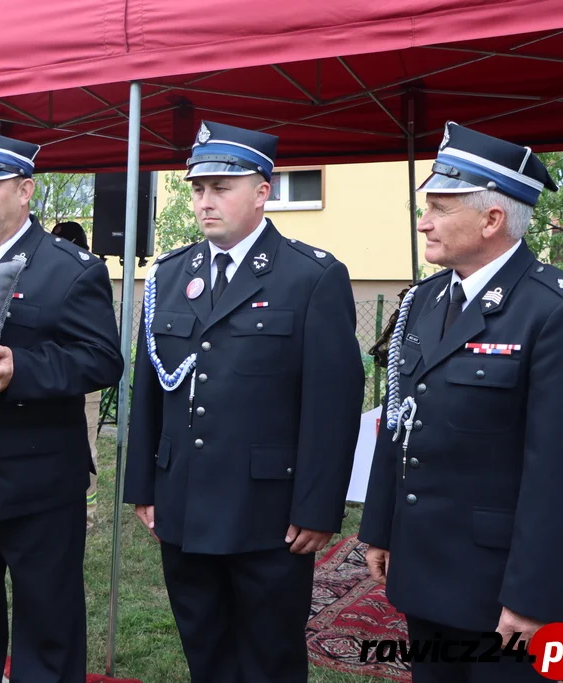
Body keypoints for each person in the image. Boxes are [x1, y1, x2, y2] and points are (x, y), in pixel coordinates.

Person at [123, 120, 365, 683]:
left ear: (262, 192)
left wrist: (317, 507)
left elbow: (333, 403)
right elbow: (149, 391)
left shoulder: (311, 276)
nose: (206, 202)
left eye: (221, 188)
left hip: (268, 512)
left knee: (270, 655)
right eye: (198, 189)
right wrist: (144, 486)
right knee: (204, 646)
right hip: (182, 501)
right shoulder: (170, 273)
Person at [358, 122, 563, 683]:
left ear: (492, 219)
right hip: (425, 565)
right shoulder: (426, 298)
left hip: (501, 583)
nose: (423, 220)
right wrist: (380, 529)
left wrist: (534, 596)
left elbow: (560, 472)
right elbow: (400, 422)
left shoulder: (558, 311)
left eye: (439, 206)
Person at [0, 129, 123, 683]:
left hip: (37, 481)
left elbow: (103, 359)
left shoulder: (70, 267)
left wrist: (24, 371)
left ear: (25, 191)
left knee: (47, 625)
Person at [51, 220, 103, 528]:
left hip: (83, 380)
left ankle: (87, 513)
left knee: (87, 446)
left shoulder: (88, 274)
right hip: (53, 376)